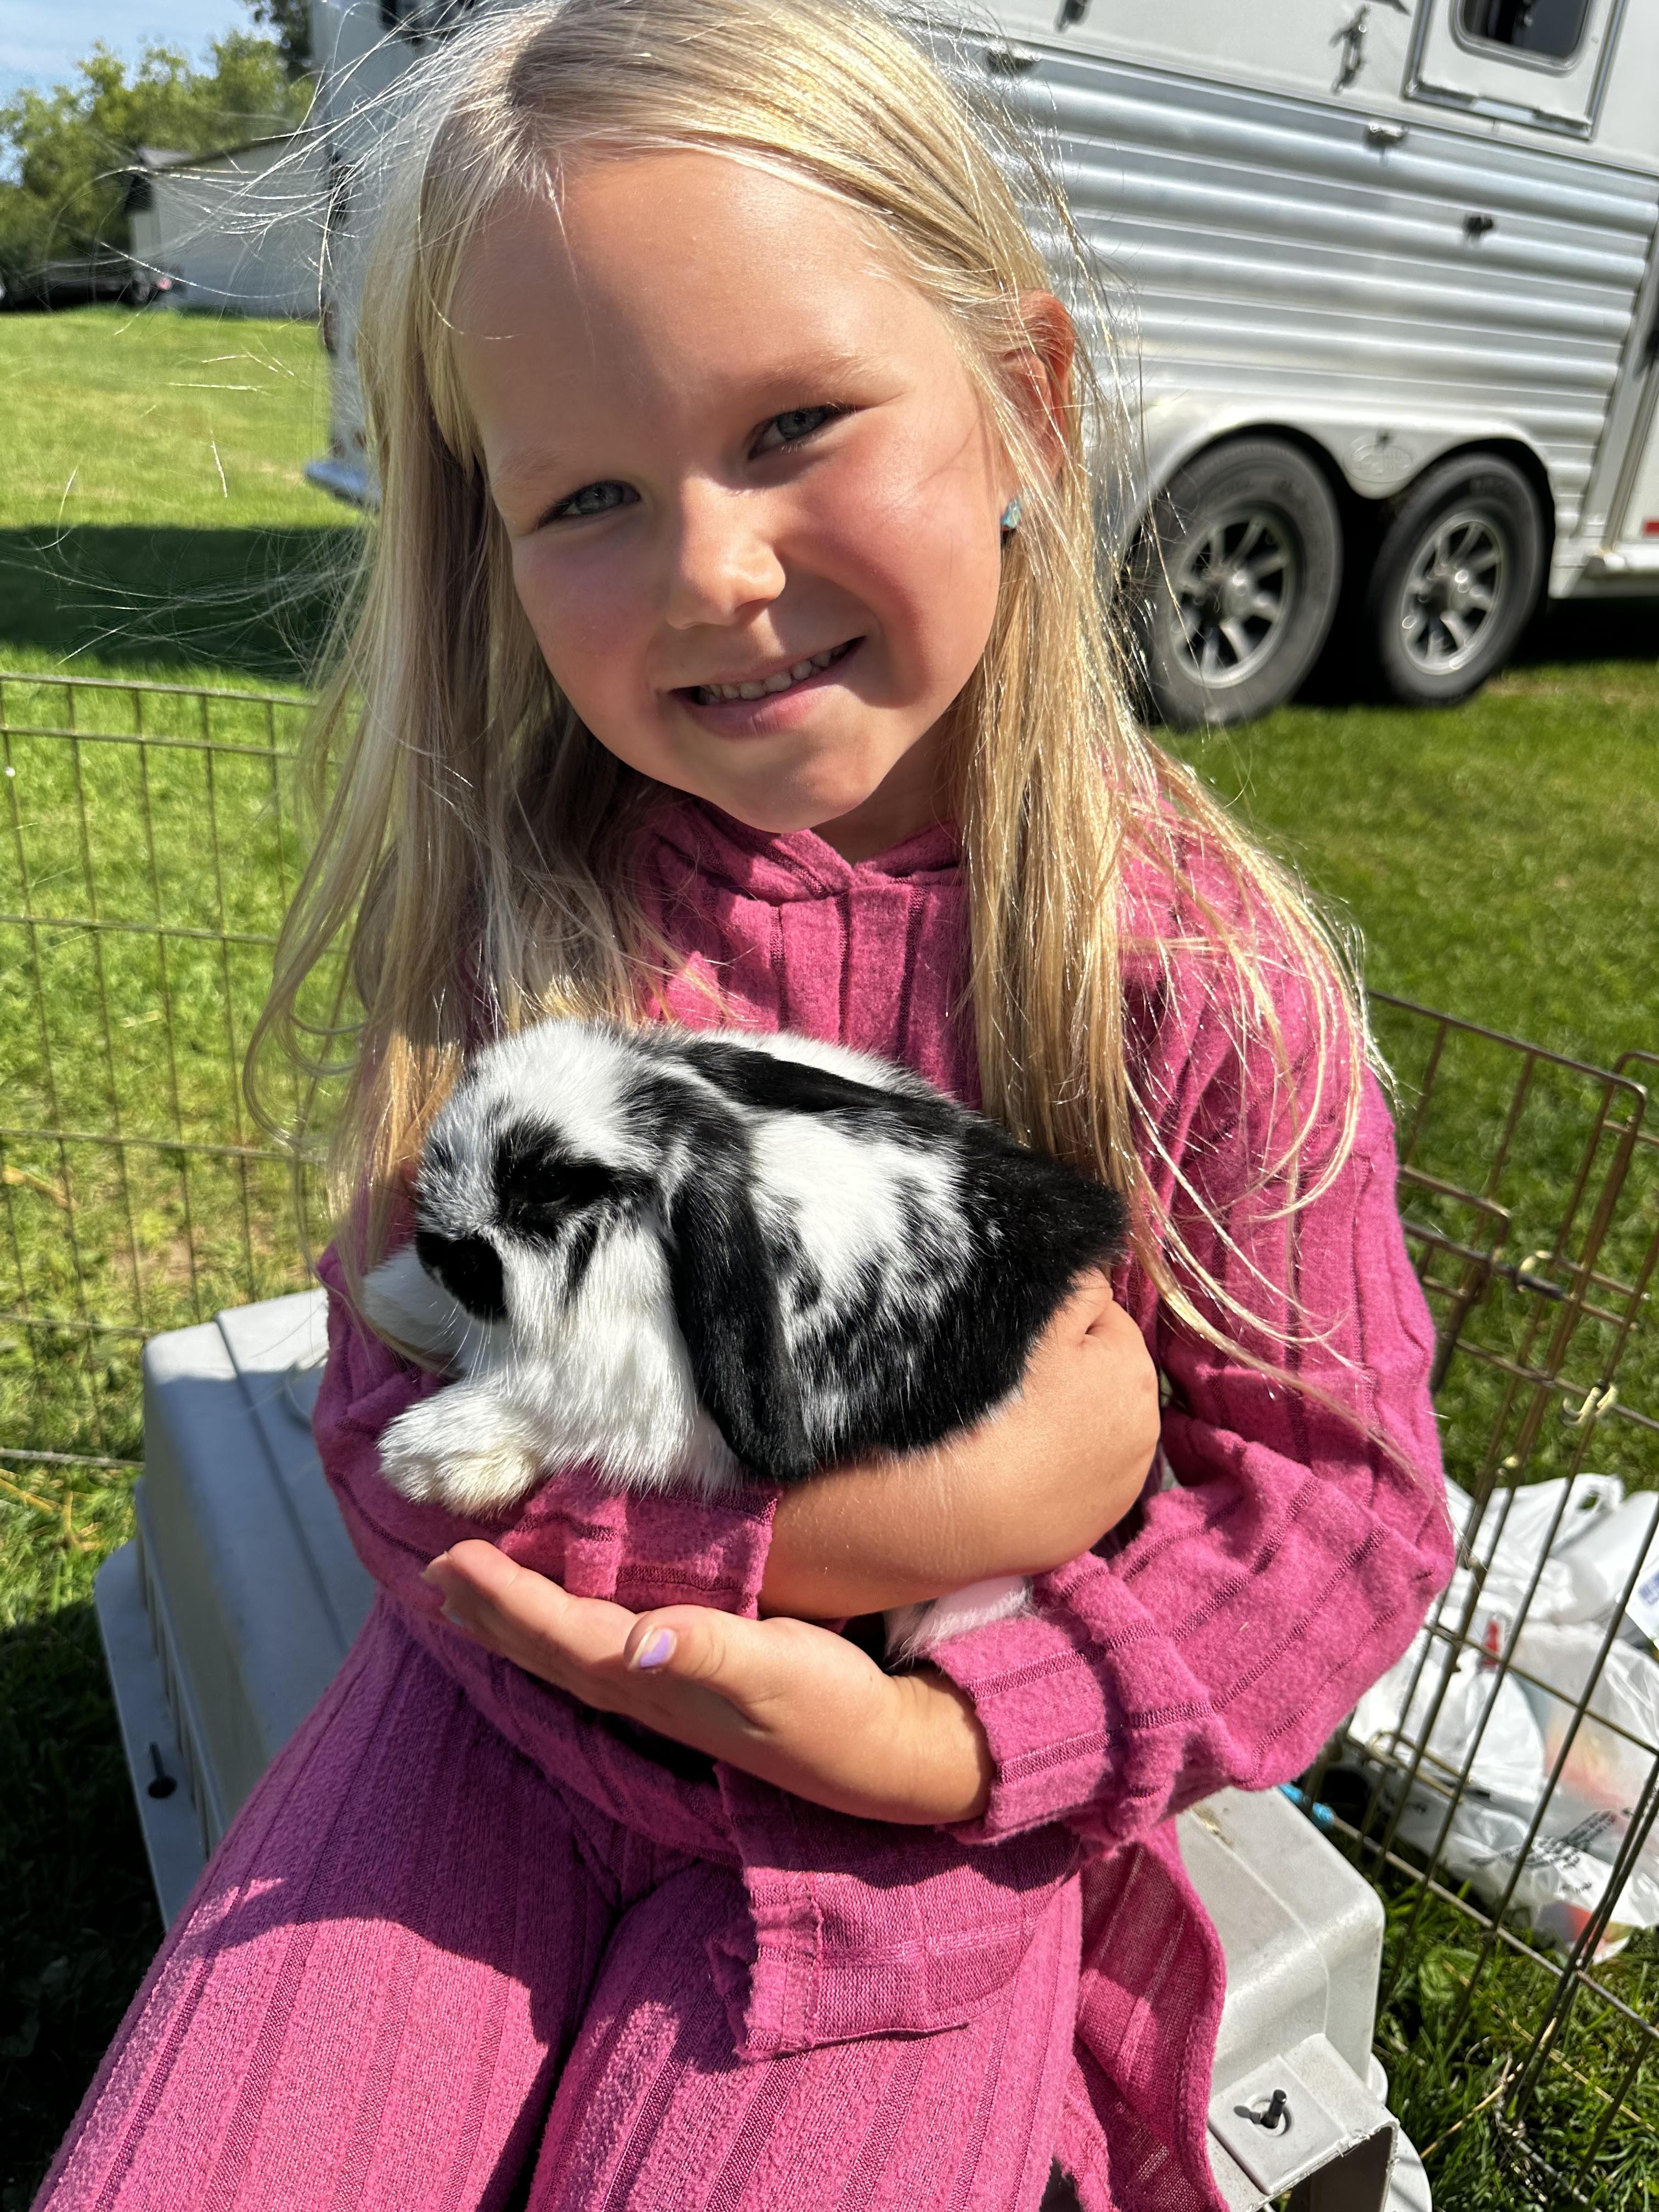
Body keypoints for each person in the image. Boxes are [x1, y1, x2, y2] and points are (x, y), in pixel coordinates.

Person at [35, 0, 1454, 2204]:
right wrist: (896, 1522)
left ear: (1025, 403)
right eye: (588, 494)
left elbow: (1337, 1512)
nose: (709, 567)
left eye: (792, 422)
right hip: (487, 1736)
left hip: (909, 1841)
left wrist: (948, 1730)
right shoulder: (531, 922)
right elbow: (390, 1413)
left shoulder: (1191, 989)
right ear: (487, 546)